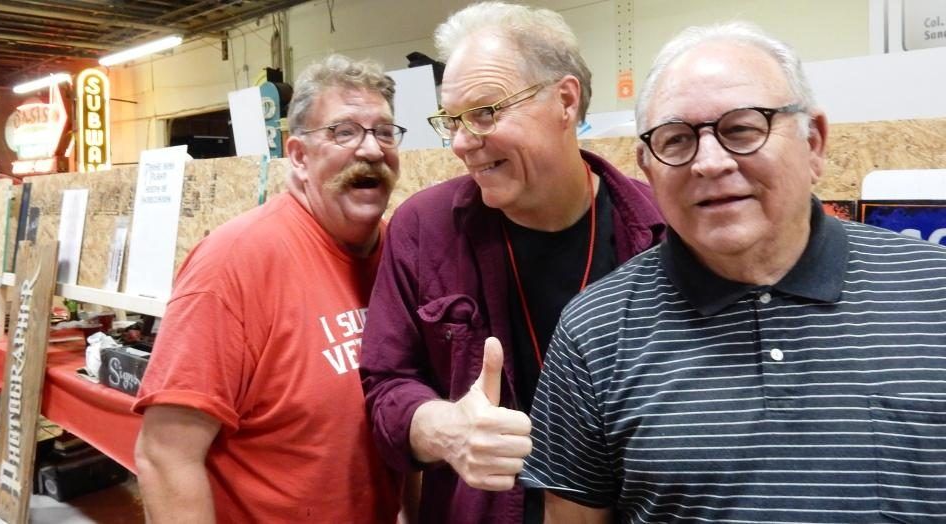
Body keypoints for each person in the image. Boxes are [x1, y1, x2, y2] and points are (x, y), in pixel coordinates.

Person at [521, 21, 946, 523]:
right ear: (647, 166)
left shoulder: (934, 291)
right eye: (676, 139)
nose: (710, 162)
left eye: (743, 128)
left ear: (813, 143)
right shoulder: (596, 331)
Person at [359, 3, 665, 522]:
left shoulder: (660, 231)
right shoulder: (424, 229)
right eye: (452, 121)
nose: (461, 143)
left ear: (565, 101)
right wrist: (447, 430)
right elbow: (386, 384)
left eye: (485, 112)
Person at [133, 54, 407, 523]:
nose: (371, 150)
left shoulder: (400, 257)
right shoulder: (233, 264)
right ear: (298, 156)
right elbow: (165, 455)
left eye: (384, 132)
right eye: (344, 132)